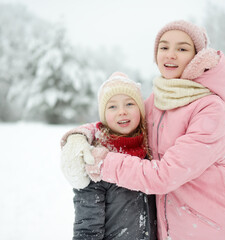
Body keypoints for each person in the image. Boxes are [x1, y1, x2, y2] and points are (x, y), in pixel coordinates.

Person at [62, 20, 225, 240]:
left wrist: (105, 162)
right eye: (164, 47)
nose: (170, 55)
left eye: (181, 48)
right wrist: (81, 136)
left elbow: (165, 176)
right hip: (169, 227)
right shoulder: (159, 100)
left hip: (206, 228)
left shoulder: (210, 108)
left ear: (197, 57)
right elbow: (123, 119)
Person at [60, 72, 157, 240]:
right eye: (112, 106)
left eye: (129, 104)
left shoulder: (151, 151)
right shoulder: (95, 161)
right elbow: (87, 229)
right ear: (103, 115)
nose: (122, 112)